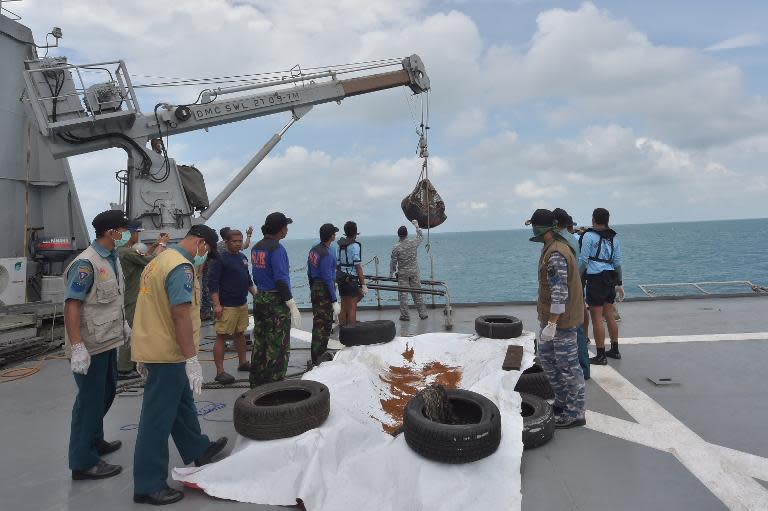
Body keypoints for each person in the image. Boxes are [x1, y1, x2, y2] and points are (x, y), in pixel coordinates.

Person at [131, 224, 227, 505]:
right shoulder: (180, 267)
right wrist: (191, 358)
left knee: (181, 404)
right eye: (206, 253)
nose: (205, 259)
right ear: (201, 243)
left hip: (155, 347)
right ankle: (148, 485)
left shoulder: (159, 259)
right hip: (168, 353)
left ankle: (198, 449)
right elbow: (180, 315)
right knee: (156, 420)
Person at [63, 209, 131, 481]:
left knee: (106, 393)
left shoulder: (112, 259)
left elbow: (113, 298)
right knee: (88, 404)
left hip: (107, 342)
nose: (128, 234)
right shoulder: (86, 264)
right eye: (124, 229)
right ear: (111, 232)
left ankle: (96, 439)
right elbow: (72, 305)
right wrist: (78, 346)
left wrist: (123, 325)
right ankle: (82, 461)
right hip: (90, 347)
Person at [529, 209, 586, 428]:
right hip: (553, 321)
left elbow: (559, 292)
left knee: (568, 367)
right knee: (549, 362)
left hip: (561, 322)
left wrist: (552, 323)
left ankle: (576, 412)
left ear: (540, 228)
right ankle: (562, 403)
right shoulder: (550, 248)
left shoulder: (555, 254)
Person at [249, 212, 301, 387]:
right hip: (276, 301)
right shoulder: (277, 249)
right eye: (285, 227)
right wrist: (290, 302)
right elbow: (280, 278)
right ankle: (275, 386)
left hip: (260, 298)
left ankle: (256, 383)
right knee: (278, 346)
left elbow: (256, 276)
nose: (287, 230)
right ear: (280, 229)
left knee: (261, 342)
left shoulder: (256, 247)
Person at [117, 222, 169, 380]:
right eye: (136, 233)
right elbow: (153, 260)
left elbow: (144, 257)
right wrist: (162, 244)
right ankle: (124, 368)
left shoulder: (124, 252)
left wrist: (154, 245)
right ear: (130, 233)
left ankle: (130, 363)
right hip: (132, 297)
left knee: (134, 330)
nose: (137, 236)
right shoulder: (126, 252)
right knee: (131, 330)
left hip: (131, 296)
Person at [208, 229, 257, 384]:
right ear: (227, 242)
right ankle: (220, 371)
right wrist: (216, 305)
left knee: (240, 333)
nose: (237, 243)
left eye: (239, 241)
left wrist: (256, 295)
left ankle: (243, 363)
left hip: (241, 303)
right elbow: (213, 284)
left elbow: (247, 280)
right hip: (226, 305)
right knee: (222, 336)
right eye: (234, 241)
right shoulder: (220, 260)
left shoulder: (242, 257)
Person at [579, 207, 624, 365]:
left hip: (595, 278)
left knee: (596, 317)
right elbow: (617, 263)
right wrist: (620, 282)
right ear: (607, 221)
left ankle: (600, 355)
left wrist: (577, 278)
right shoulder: (614, 239)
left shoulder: (588, 236)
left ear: (593, 219)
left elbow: (584, 261)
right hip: (610, 277)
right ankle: (615, 349)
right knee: (609, 314)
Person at [552, 209, 589, 380]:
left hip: (570, 288)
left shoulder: (564, 242)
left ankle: (580, 369)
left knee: (574, 330)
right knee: (578, 328)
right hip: (576, 286)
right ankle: (583, 367)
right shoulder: (572, 239)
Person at [308, 224, 341, 365]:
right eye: (334, 233)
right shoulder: (326, 254)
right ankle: (319, 357)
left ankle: (316, 354)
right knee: (325, 324)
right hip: (324, 289)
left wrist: (312, 288)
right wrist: (334, 300)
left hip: (315, 287)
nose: (335, 235)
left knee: (318, 322)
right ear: (331, 236)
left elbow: (309, 271)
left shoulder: (314, 250)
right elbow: (328, 278)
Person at [390, 219, 428, 321]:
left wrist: (391, 273)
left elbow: (393, 262)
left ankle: (405, 316)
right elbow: (421, 236)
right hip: (414, 272)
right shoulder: (413, 243)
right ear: (406, 234)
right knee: (417, 293)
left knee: (403, 296)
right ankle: (423, 314)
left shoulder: (396, 247)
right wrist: (416, 226)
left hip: (403, 274)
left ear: (398, 235)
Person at [336, 221, 367, 326]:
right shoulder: (355, 246)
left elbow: (337, 263)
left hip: (341, 278)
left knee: (344, 305)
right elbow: (358, 266)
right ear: (355, 232)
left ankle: (343, 328)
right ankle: (351, 331)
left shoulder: (340, 245)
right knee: (352, 307)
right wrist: (363, 284)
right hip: (351, 279)